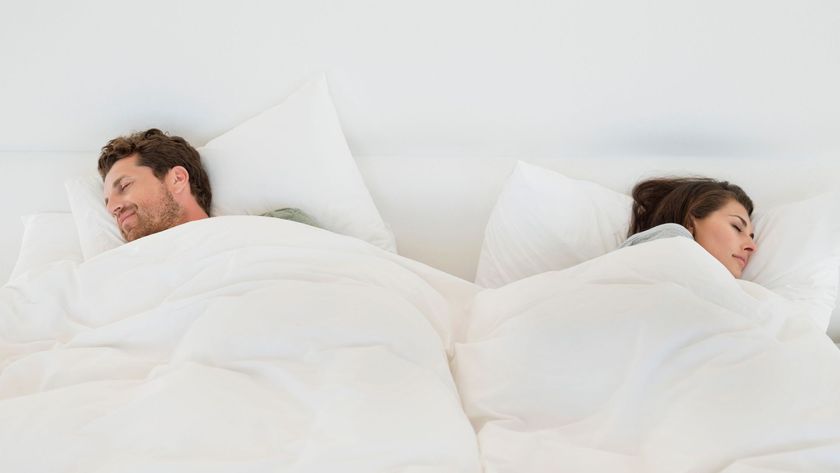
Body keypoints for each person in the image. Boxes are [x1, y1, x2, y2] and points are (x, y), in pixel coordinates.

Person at [620, 177, 757, 278]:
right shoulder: (670, 240)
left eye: (751, 236)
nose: (752, 246)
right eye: (737, 227)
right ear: (690, 223)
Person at [98, 128, 212, 242]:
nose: (111, 208)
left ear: (177, 179)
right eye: (107, 202)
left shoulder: (227, 241)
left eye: (124, 186)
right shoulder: (116, 259)